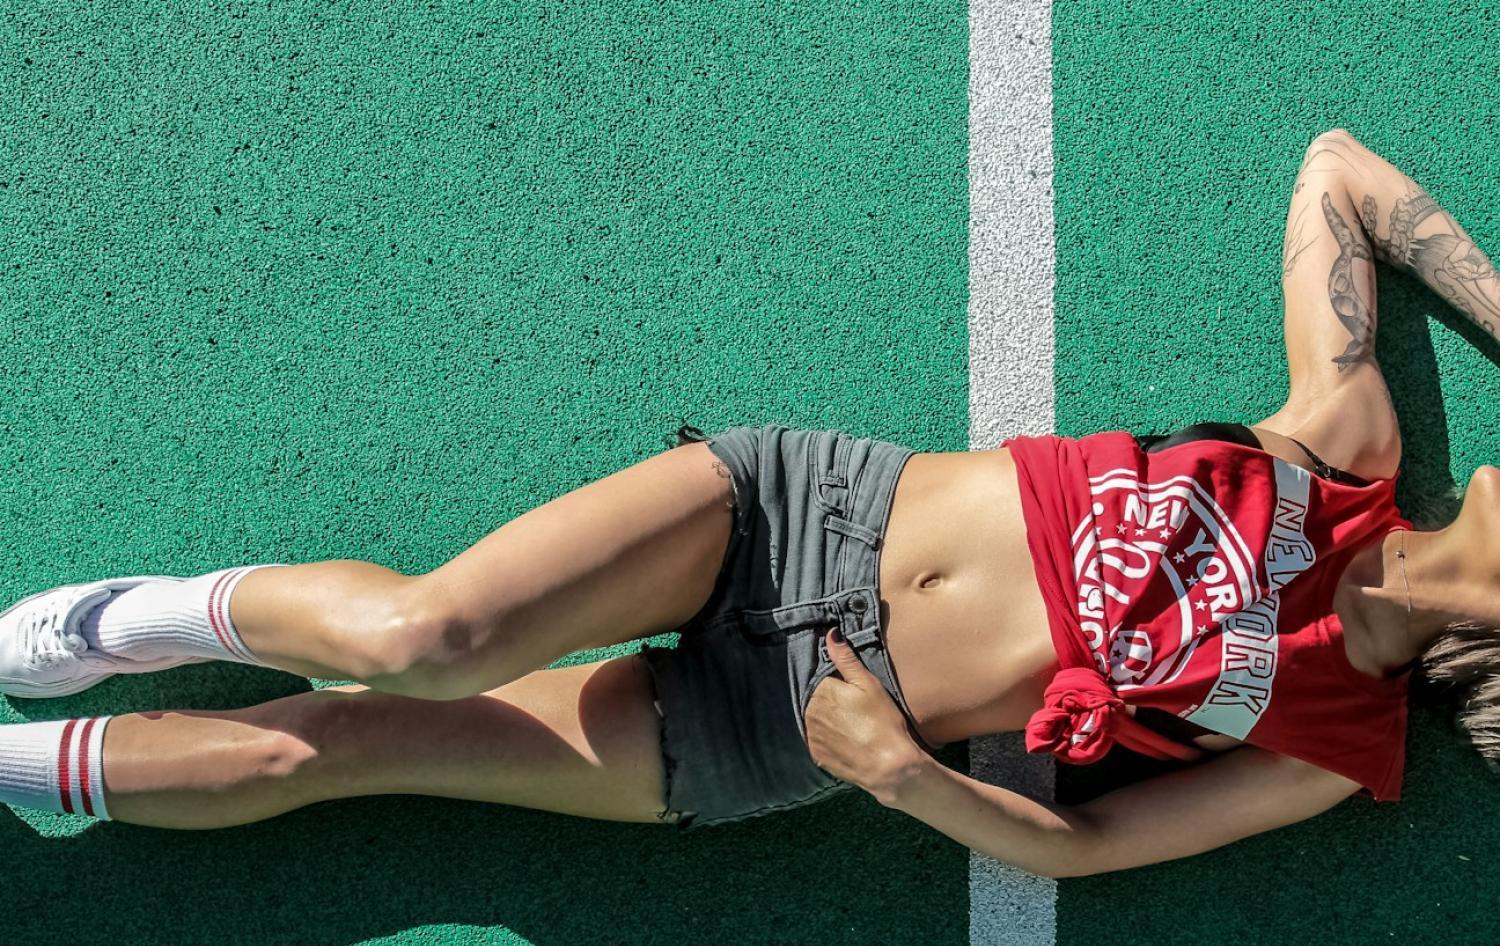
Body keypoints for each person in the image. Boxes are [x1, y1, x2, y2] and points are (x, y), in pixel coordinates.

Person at [0, 129, 1495, 878]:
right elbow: (1340, 174)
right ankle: (123, 617)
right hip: (802, 512)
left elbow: (1092, 852)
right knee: (427, 627)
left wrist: (898, 774)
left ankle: (27, 764)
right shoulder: (1341, 441)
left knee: (357, 745)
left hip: (803, 724)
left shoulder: (1336, 743)